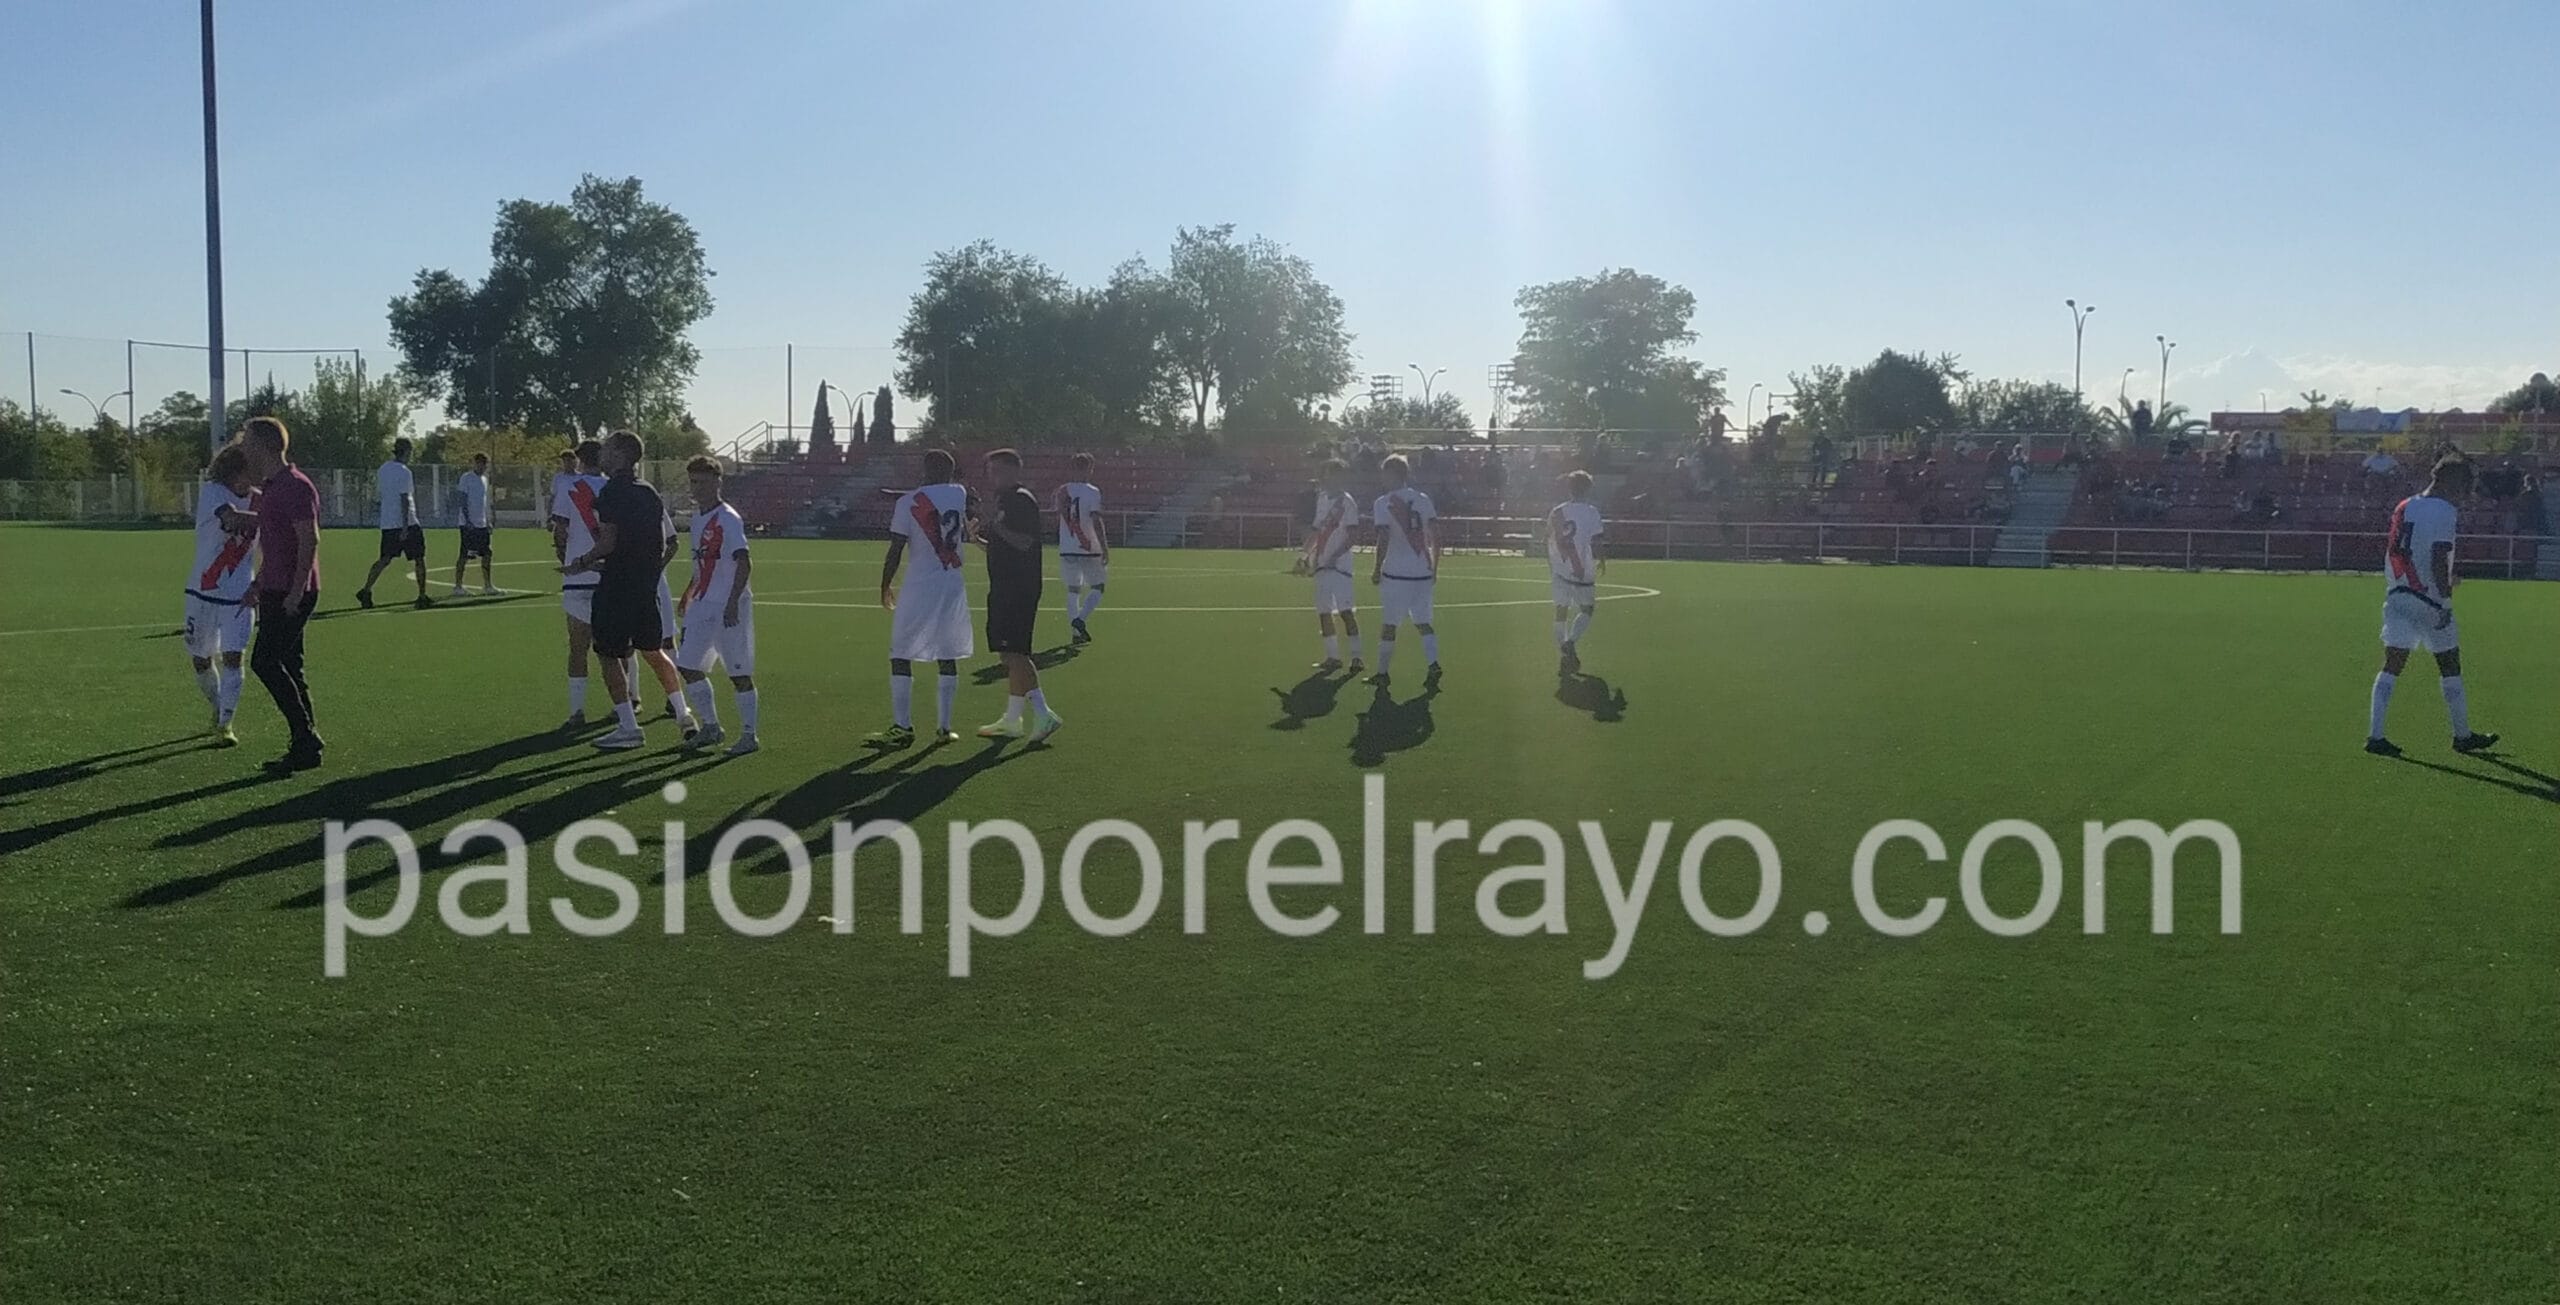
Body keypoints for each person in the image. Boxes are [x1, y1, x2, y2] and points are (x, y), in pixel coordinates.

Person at [2366, 454, 2499, 757]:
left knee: (2392, 664)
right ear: (2450, 481)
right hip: (2428, 598)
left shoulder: (2404, 505)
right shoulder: (2444, 511)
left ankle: (2375, 735)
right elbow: (2439, 555)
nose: (2464, 493)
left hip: (2397, 594)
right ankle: (2462, 735)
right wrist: (2446, 598)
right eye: (2464, 485)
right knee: (2449, 663)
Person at [560, 431, 685, 751]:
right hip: (646, 584)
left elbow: (608, 542)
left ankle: (629, 727)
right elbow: (662, 541)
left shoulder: (612, 493)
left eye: (608, 447)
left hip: (616, 584)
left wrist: (581, 562)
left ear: (619, 454)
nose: (602, 452)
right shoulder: (649, 491)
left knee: (607, 654)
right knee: (653, 651)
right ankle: (685, 715)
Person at [870, 448, 972, 749]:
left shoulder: (908, 503)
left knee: (900, 653)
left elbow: (896, 549)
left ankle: (902, 726)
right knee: (947, 653)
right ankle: (944, 727)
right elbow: (938, 498)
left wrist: (885, 584)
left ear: (925, 469)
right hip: (951, 583)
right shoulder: (959, 494)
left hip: (920, 585)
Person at [240, 417, 326, 772]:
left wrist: (295, 592)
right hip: (276, 588)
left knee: (265, 661)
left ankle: (305, 737)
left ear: (263, 445)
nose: (243, 448)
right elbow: (277, 548)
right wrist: (259, 584)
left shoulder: (294, 486)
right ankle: (307, 743)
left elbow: (309, 540)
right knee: (290, 665)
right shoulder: (273, 487)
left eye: (247, 441)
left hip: (292, 592)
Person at [975, 448, 1063, 742]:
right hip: (1004, 586)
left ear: (1013, 470)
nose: (991, 475)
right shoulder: (1006, 500)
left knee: (1016, 652)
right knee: (1008, 653)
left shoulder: (1021, 500)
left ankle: (1043, 713)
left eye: (996, 469)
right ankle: (1013, 719)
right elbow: (1004, 545)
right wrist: (977, 539)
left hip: (1018, 588)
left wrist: (996, 525)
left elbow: (1025, 542)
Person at [673, 456, 759, 756]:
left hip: (727, 603)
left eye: (703, 482)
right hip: (703, 602)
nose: (697, 488)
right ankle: (711, 727)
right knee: (687, 665)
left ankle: (749, 735)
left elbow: (744, 562)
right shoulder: (698, 518)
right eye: (693, 482)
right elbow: (701, 563)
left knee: (738, 673)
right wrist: (688, 592)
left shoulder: (727, 518)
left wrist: (733, 602)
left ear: (717, 482)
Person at [184, 442, 261, 746]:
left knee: (234, 657)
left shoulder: (262, 500)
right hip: (201, 591)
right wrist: (279, 519)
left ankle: (226, 723)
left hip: (239, 595)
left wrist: (259, 584)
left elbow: (269, 549)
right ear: (235, 470)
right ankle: (216, 707)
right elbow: (230, 519)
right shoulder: (214, 491)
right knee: (201, 660)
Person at [1369, 453, 1441, 688]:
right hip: (1422, 571)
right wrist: (1435, 567)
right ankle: (1433, 664)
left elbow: (1384, 538)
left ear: (1392, 474)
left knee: (1389, 624)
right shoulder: (1423, 499)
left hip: (1397, 573)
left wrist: (1377, 568)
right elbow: (1436, 537)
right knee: (1423, 623)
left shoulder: (1383, 502)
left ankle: (1382, 672)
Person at [552, 441, 608, 728]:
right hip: (609, 575)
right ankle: (625, 705)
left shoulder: (567, 487)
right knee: (615, 647)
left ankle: (577, 712)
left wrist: (566, 557)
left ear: (580, 459)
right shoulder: (611, 487)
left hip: (578, 577)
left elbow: (560, 529)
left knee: (577, 647)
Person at [1300, 459, 1364, 673]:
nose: (1325, 479)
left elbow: (1352, 535)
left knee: (1346, 611)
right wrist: (1304, 555)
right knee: (1324, 611)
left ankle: (1356, 658)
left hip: (1340, 566)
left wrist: (1335, 556)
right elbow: (1317, 530)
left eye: (1330, 474)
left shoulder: (1347, 503)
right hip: (1321, 565)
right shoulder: (1322, 499)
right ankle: (1332, 657)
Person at [357, 437, 431, 610]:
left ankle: (366, 590)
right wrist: (405, 526)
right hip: (407, 523)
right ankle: (421, 596)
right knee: (419, 558)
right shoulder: (404, 472)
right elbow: (404, 498)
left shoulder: (383, 469)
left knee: (384, 559)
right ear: (406, 452)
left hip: (388, 522)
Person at [1547, 470, 1606, 676]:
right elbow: (1597, 539)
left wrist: (1552, 562)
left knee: (1560, 609)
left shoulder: (1557, 511)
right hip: (1582, 569)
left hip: (1560, 568)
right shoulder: (1591, 512)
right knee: (1587, 609)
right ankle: (1571, 642)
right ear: (1588, 488)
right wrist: (1602, 559)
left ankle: (1563, 645)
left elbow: (1549, 537)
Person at [1055, 452, 1109, 644]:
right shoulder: (1092, 491)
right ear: (1088, 469)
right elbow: (1096, 520)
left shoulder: (1062, 491)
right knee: (1098, 587)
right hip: (1089, 547)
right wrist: (1104, 546)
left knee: (1073, 590)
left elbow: (1062, 515)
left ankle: (1076, 633)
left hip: (1067, 547)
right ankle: (1080, 620)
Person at [449, 452, 496, 596]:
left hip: (481, 524)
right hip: (468, 524)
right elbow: (462, 499)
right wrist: (467, 520)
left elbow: (485, 502)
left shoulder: (484, 480)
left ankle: (488, 585)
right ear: (475, 463)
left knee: (487, 553)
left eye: (484, 463)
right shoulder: (466, 478)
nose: (482, 466)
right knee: (464, 554)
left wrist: (488, 521)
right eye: (480, 463)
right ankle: (458, 586)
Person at [546, 447, 579, 563]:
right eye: (564, 461)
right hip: (559, 515)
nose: (567, 464)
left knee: (574, 542)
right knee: (560, 543)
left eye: (569, 460)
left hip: (574, 516)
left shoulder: (580, 478)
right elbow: (553, 497)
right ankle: (565, 563)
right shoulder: (558, 478)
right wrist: (549, 516)